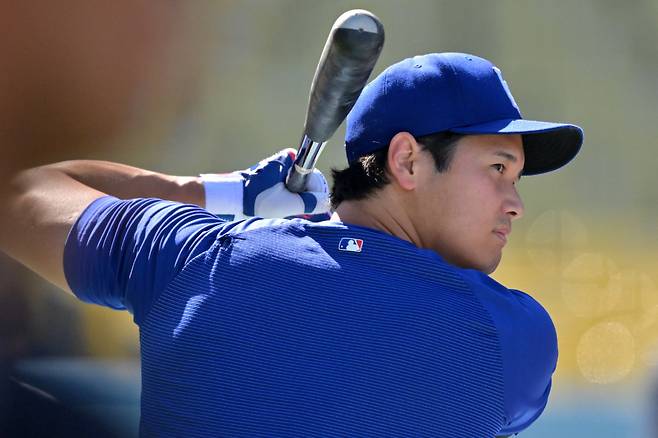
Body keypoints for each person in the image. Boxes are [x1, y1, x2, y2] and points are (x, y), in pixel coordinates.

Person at [0, 53, 583, 437]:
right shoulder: (513, 336)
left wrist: (218, 194)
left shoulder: (193, 257)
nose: (515, 203)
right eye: (499, 168)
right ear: (407, 160)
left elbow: (19, 189)